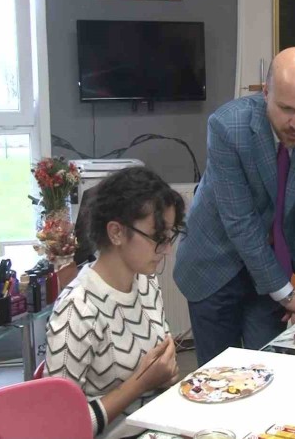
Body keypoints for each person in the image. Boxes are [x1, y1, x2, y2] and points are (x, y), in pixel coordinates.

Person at [174, 47, 295, 366]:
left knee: (270, 368)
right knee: (220, 377)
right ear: (266, 93)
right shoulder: (227, 126)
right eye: (286, 109)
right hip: (215, 262)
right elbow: (240, 223)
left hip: (271, 266)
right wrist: (289, 295)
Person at [45, 167, 185, 438]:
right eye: (158, 237)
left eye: (169, 237)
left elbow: (158, 363)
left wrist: (165, 372)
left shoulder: (145, 281)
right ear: (116, 233)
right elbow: (59, 428)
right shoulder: (77, 309)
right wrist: (141, 383)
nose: (167, 249)